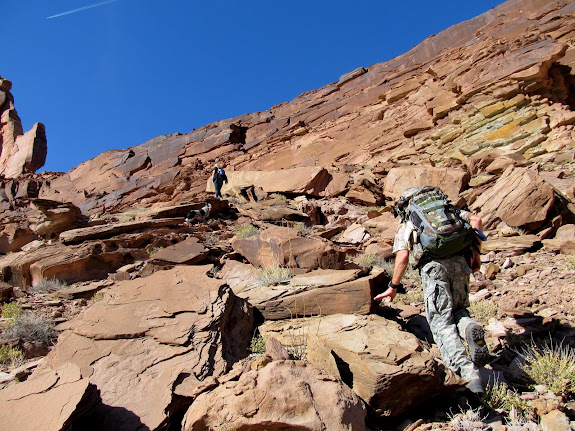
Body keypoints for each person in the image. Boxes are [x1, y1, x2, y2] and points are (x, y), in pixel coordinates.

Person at [374, 186, 489, 394]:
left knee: (441, 322)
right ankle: (469, 326)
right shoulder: (450, 211)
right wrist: (476, 257)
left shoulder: (411, 220)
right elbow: (477, 221)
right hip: (461, 262)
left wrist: (393, 287)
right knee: (459, 310)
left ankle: (468, 374)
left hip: (434, 270)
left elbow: (403, 257)